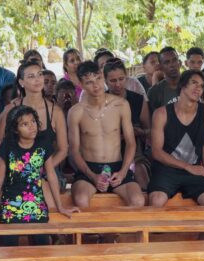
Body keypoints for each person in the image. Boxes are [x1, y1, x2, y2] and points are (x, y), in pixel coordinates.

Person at [0, 105, 77, 249]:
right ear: (16, 129)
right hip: (11, 204)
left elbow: (51, 175)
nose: (31, 126)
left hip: (36, 204)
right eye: (24, 124)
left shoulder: (43, 144)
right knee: (10, 249)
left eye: (33, 121)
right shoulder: (8, 145)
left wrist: (60, 207)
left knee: (42, 248)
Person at [68, 61, 143, 208]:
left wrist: (122, 172)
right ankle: (92, 232)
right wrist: (92, 176)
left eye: (98, 79)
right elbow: (74, 150)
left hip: (117, 166)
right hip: (89, 168)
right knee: (81, 199)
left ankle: (121, 232)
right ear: (81, 85)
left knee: (138, 200)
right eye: (89, 82)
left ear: (103, 77)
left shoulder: (121, 105)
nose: (95, 85)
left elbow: (130, 143)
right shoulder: (76, 112)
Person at [148, 70, 204, 207]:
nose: (198, 88)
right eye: (194, 83)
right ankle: (157, 229)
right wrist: (187, 167)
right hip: (166, 170)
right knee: (156, 199)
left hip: (195, 170)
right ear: (182, 85)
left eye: (202, 86)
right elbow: (156, 152)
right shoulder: (161, 113)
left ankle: (203, 229)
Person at [0, 61, 68, 172]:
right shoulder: (10, 110)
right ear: (21, 82)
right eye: (31, 76)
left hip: (47, 171)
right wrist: (20, 169)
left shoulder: (55, 111)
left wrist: (42, 169)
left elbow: (63, 149)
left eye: (40, 74)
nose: (37, 79)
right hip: (16, 171)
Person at [103, 58, 151, 190]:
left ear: (127, 78)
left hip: (135, 153)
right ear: (105, 81)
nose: (118, 84)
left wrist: (140, 132)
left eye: (121, 79)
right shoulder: (100, 101)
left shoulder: (137, 100)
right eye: (112, 81)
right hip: (106, 153)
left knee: (141, 175)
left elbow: (149, 130)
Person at [147, 47, 182, 113]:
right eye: (167, 62)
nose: (172, 65)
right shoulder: (154, 92)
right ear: (160, 67)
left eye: (174, 60)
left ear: (179, 63)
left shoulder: (190, 84)